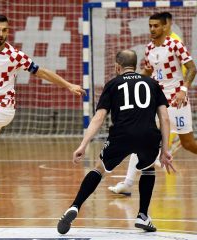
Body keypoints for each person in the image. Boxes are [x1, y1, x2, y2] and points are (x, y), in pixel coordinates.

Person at [0, 14, 86, 215]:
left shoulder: (14, 55)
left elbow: (43, 72)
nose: (1, 34)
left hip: (2, 108)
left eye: (4, 30)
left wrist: (68, 85)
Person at [57, 49, 175, 235]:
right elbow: (165, 118)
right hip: (149, 135)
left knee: (98, 169)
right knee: (148, 167)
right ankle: (143, 215)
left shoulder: (112, 84)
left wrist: (83, 144)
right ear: (135, 66)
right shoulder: (152, 83)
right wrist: (165, 149)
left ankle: (75, 206)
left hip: (121, 135)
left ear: (117, 67)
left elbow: (99, 117)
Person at [108, 12, 197, 196]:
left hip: (177, 101)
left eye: (156, 26)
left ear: (165, 27)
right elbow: (149, 72)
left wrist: (183, 90)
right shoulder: (149, 48)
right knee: (140, 137)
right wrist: (132, 80)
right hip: (156, 101)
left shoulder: (175, 44)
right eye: (150, 26)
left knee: (188, 143)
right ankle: (127, 183)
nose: (152, 29)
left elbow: (192, 68)